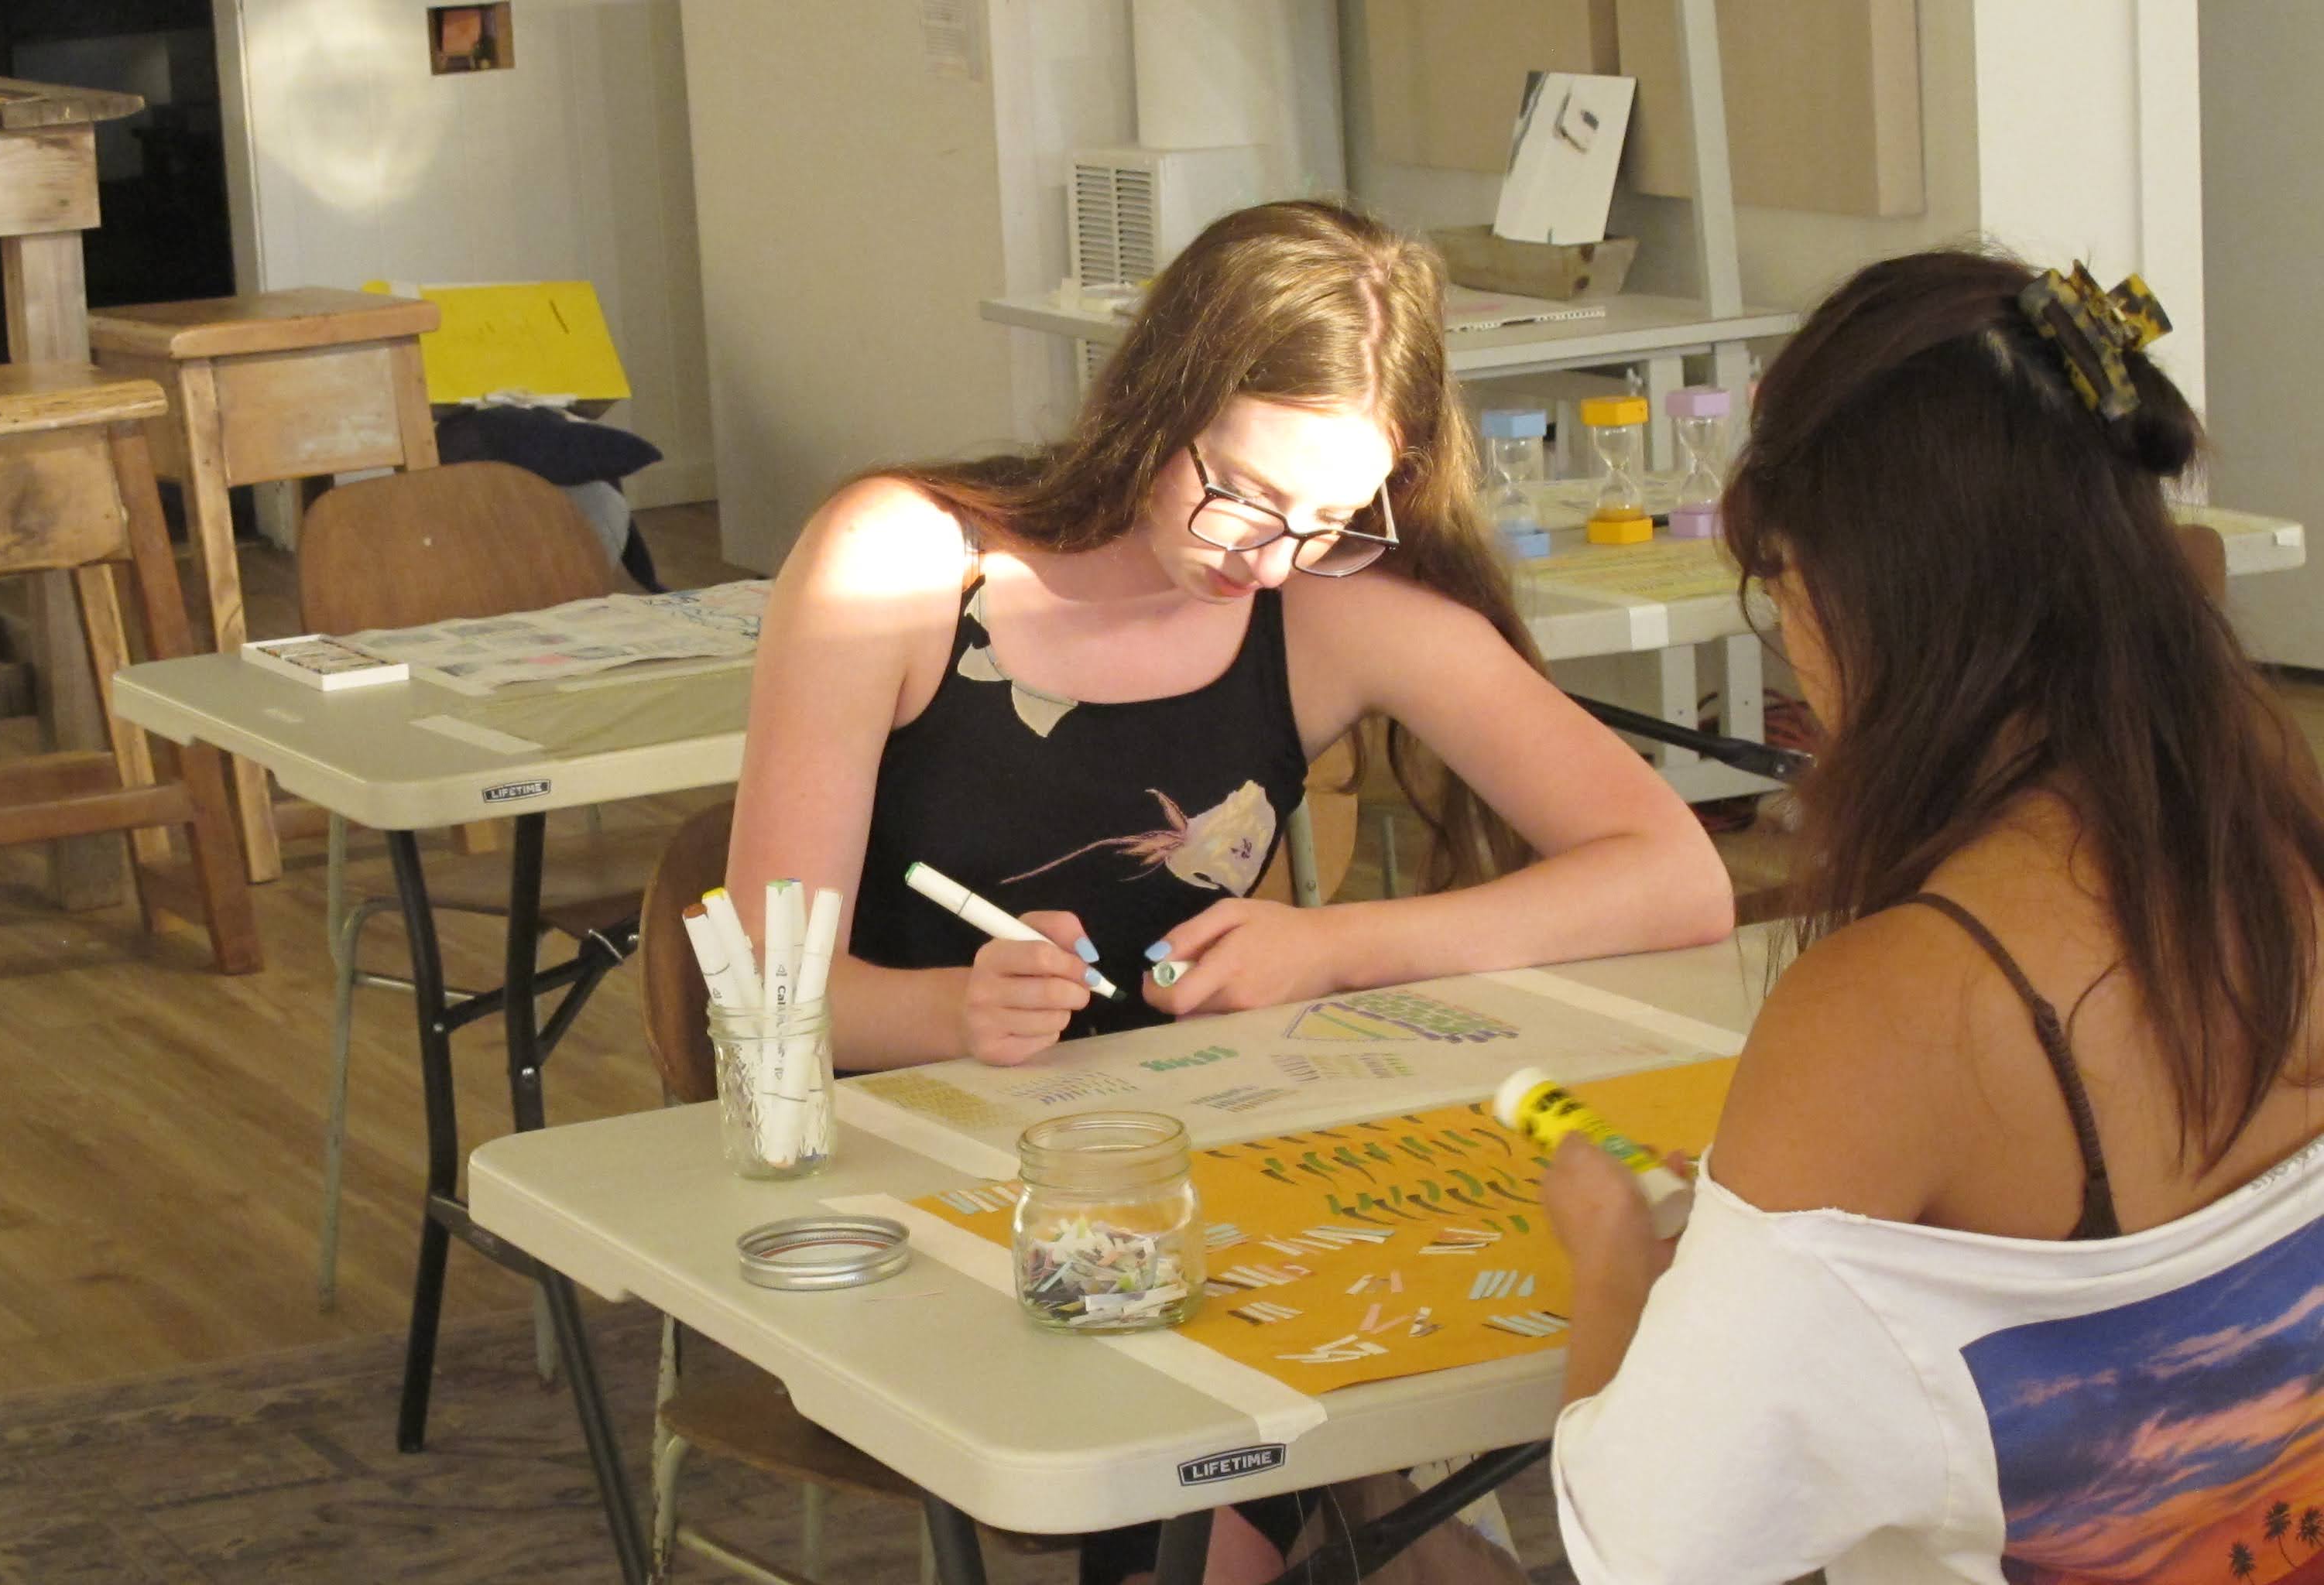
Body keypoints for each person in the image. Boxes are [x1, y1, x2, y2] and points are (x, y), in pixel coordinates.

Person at [728, 199, 1731, 1584]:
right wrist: (953, 1012)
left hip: (1215, 1169)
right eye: (1245, 495)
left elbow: (1676, 877)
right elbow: (770, 999)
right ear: (1157, 401)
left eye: (1327, 519)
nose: (1263, 555)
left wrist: (1336, 945)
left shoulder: (1322, 600)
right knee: (1301, 1455)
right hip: (920, 1179)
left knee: (1428, 1353)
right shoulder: (903, 562)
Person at [1543, 250, 2324, 1583]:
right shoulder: (2279, 837)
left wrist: (1612, 1262)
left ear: (1865, 588)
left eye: (1778, 583)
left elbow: (1659, 1546)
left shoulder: (1902, 1005)